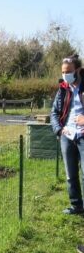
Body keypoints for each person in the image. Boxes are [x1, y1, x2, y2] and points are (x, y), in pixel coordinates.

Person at [50, 54, 84, 215]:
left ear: (78, 70)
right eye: (63, 72)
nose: (65, 75)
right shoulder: (63, 89)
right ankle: (76, 206)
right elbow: (54, 113)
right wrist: (59, 129)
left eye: (69, 71)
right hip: (67, 136)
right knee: (71, 175)